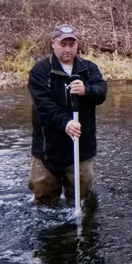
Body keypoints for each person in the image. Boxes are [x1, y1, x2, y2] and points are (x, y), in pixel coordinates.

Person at [27, 24, 107, 206]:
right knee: (44, 203)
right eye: (63, 44)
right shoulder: (40, 71)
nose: (67, 49)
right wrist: (65, 123)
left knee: (81, 201)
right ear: (53, 44)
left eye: (71, 44)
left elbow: (101, 92)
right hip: (48, 151)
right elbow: (43, 106)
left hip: (81, 149)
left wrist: (86, 90)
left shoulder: (89, 68)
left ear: (77, 45)